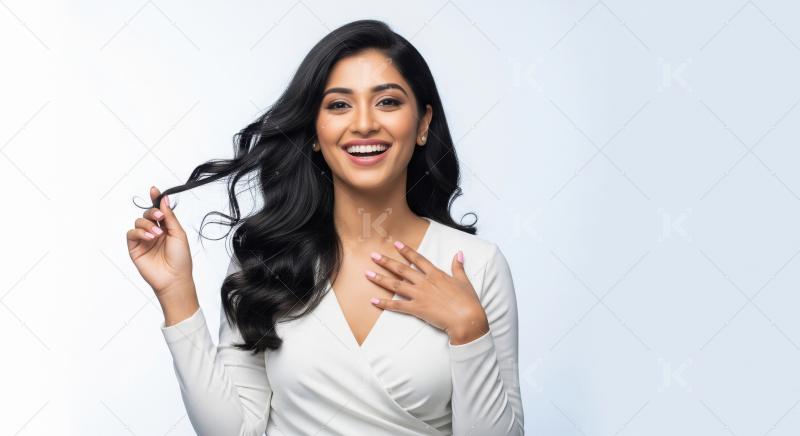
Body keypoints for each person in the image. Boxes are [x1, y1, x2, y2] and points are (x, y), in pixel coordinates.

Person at [126, 19, 523, 436]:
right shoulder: (267, 261)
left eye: (388, 102)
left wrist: (468, 328)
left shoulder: (476, 266)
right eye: (338, 105)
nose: (365, 124)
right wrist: (177, 296)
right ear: (314, 131)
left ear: (423, 123)